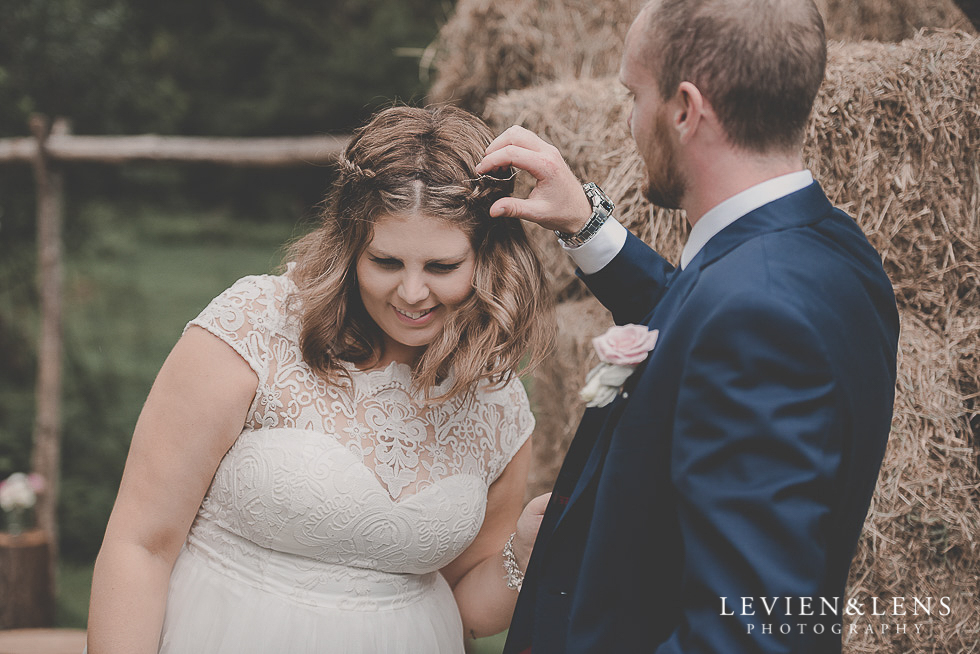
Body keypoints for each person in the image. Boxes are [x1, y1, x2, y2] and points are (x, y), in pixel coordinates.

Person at [477, 0, 900, 652]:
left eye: (633, 94)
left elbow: (747, 637)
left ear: (685, 109)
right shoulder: (831, 247)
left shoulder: (755, 319)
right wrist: (588, 230)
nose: (628, 119)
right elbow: (702, 321)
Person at [86, 105, 556, 654]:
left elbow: (467, 608)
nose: (410, 292)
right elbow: (141, 545)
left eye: (441, 267)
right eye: (384, 261)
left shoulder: (497, 404)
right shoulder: (255, 328)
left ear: (489, 260)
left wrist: (524, 551)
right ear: (349, 247)